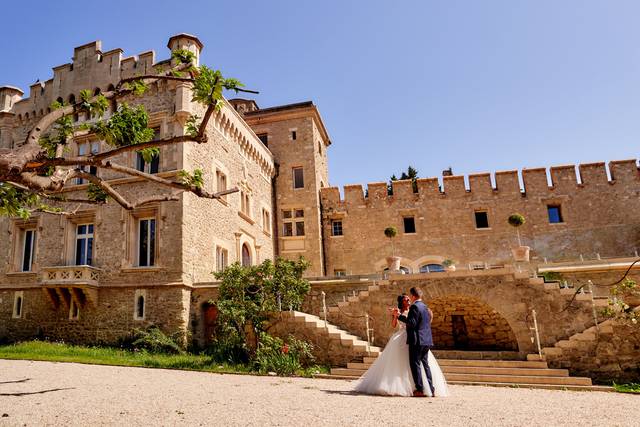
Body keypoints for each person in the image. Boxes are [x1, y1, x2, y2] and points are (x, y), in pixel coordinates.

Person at [354, 291, 448, 397]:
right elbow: (394, 325)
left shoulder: (414, 309)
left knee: (418, 363)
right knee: (406, 362)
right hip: (403, 337)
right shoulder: (399, 310)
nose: (408, 300)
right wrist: (395, 316)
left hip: (415, 337)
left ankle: (423, 387)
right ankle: (412, 386)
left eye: (409, 298)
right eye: (405, 299)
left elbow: (414, 322)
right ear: (402, 302)